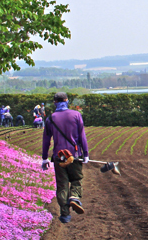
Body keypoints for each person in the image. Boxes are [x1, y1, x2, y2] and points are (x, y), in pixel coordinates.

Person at [42, 92, 89, 224]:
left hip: (59, 157)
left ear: (55, 102)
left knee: (62, 185)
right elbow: (82, 136)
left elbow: (46, 140)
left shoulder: (50, 119)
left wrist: (45, 158)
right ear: (67, 101)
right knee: (76, 179)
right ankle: (74, 197)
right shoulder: (76, 115)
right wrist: (85, 154)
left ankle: (65, 214)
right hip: (74, 155)